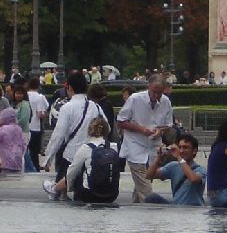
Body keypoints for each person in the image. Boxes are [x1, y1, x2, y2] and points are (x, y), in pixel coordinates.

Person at [43, 71, 107, 194]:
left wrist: (48, 160)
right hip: (91, 155)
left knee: (60, 192)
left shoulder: (67, 107)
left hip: (71, 156)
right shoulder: (95, 106)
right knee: (83, 191)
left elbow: (58, 136)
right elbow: (106, 127)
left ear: (70, 87)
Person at [116, 74, 174, 202]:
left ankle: (137, 207)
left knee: (141, 186)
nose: (156, 96)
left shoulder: (166, 102)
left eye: (159, 93)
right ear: (148, 86)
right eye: (154, 92)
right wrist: (141, 129)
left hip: (153, 149)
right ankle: (150, 208)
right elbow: (121, 121)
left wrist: (160, 131)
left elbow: (169, 125)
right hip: (135, 146)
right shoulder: (135, 99)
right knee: (146, 187)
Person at [42, 117, 118, 203]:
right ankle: (55, 189)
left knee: (77, 171)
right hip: (112, 195)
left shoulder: (86, 148)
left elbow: (71, 172)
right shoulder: (113, 147)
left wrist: (69, 187)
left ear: (89, 131)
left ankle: (54, 189)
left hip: (90, 195)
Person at [144, 133, 207, 205]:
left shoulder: (201, 170)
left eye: (185, 147)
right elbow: (149, 175)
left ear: (194, 151)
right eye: (180, 147)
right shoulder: (174, 166)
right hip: (176, 206)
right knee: (151, 197)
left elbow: (193, 179)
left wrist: (179, 157)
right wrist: (158, 157)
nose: (181, 151)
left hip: (193, 207)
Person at [27, 77, 49, 171]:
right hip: (35, 127)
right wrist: (46, 114)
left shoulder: (26, 95)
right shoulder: (39, 97)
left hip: (26, 126)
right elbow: (40, 114)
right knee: (34, 151)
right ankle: (35, 168)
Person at [0, 107, 26, 173]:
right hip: (18, 161)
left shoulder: (3, 129)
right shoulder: (19, 129)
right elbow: (23, 144)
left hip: (5, 161)